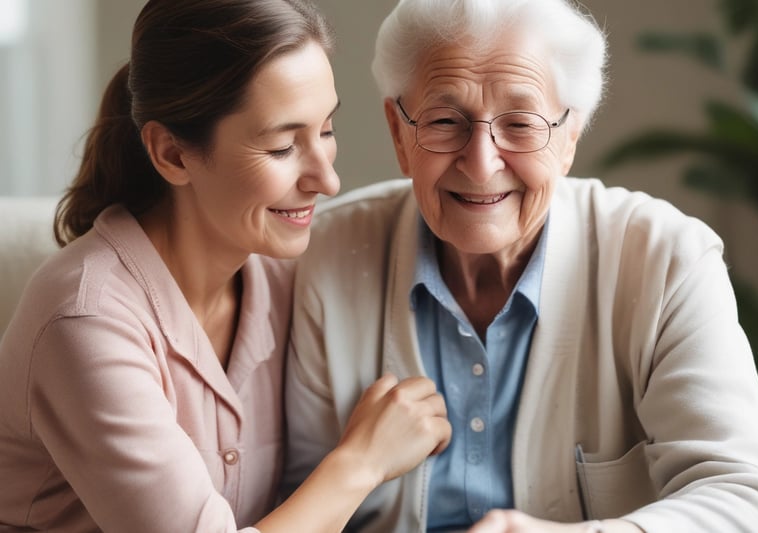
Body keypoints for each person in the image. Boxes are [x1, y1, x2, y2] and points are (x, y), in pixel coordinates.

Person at [280, 0, 758, 531]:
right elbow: (296, 498)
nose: (482, 161)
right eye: (446, 121)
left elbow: (744, 499)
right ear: (399, 134)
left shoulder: (666, 261)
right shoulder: (323, 257)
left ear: (569, 137)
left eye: (519, 123)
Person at [0, 1, 452, 532]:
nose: (327, 181)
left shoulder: (286, 276)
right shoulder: (86, 321)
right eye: (283, 146)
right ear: (171, 154)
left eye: (325, 130)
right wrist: (363, 463)